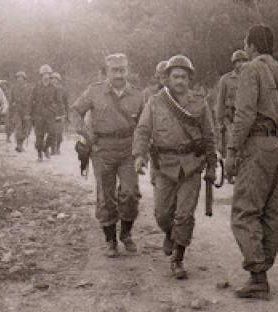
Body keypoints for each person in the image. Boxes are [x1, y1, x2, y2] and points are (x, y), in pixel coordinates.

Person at [224, 25, 278, 299]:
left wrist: (231, 152)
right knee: (271, 209)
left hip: (258, 145)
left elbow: (244, 115)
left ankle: (257, 275)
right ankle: (264, 263)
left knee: (244, 210)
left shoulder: (250, 70)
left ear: (251, 45)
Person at [133, 54, 216, 279]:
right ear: (167, 78)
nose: (179, 81)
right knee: (162, 214)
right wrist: (139, 154)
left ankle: (178, 258)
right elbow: (142, 130)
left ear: (190, 79)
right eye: (175, 76)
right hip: (164, 166)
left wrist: (212, 166)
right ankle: (170, 234)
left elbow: (209, 136)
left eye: (184, 77)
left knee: (185, 215)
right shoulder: (155, 101)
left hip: (191, 166)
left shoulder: (199, 103)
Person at [71, 53, 144, 257]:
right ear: (107, 71)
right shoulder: (94, 91)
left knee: (130, 193)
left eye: (122, 70)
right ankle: (110, 239)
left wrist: (142, 150)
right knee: (106, 196)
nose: (119, 74)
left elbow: (146, 124)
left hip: (129, 149)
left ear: (127, 70)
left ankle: (126, 233)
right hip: (102, 149)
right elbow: (75, 111)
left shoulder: (138, 95)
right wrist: (86, 133)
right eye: (114, 70)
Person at [216, 50, 249, 183]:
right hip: (230, 117)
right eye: (237, 62)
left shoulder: (250, 78)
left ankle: (239, 171)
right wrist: (219, 121)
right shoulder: (226, 79)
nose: (240, 64)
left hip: (245, 116)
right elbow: (220, 100)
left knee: (244, 145)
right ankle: (229, 171)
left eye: (243, 61)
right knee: (231, 144)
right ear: (233, 63)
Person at [31, 65, 62, 161]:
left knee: (53, 133)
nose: (46, 76)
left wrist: (60, 113)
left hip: (50, 114)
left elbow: (59, 102)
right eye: (44, 74)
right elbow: (31, 100)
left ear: (50, 75)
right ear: (41, 75)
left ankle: (46, 148)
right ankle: (39, 154)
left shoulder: (54, 88)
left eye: (48, 74)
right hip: (39, 114)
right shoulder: (36, 87)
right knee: (39, 135)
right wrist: (29, 114)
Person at [9, 71, 33, 152]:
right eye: (18, 78)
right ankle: (19, 145)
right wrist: (10, 111)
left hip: (26, 110)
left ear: (24, 79)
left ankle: (21, 143)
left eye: (21, 78)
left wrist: (30, 112)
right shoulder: (13, 88)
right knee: (18, 127)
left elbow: (31, 100)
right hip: (16, 110)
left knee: (26, 129)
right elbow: (10, 100)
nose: (19, 79)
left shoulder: (29, 88)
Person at [50, 72, 68, 155]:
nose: (54, 81)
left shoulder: (63, 90)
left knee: (60, 133)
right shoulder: (48, 90)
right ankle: (52, 149)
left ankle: (58, 148)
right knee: (52, 132)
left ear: (58, 80)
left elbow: (66, 103)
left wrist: (67, 115)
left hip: (61, 114)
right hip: (51, 114)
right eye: (52, 79)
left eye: (55, 79)